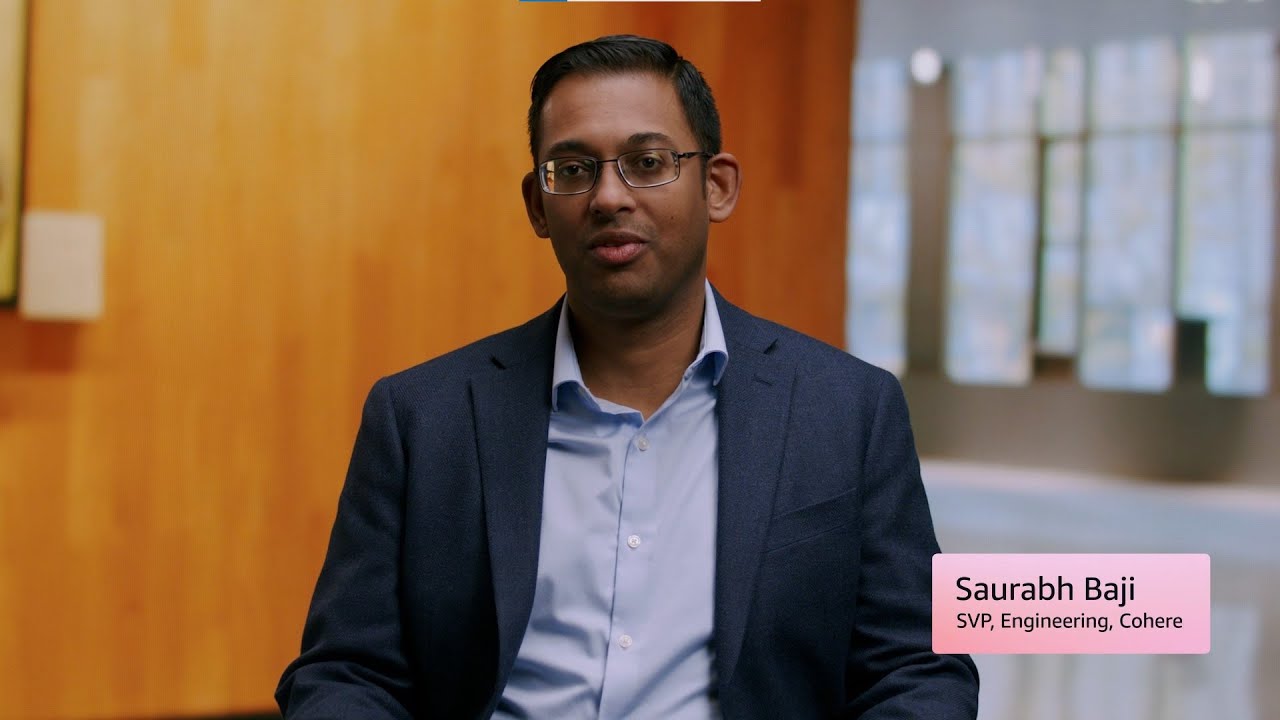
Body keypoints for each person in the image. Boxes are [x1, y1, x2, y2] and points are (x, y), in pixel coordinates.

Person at [277, 34, 979, 719]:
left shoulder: (848, 411)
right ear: (536, 205)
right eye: (573, 170)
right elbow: (346, 670)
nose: (609, 196)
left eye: (648, 161)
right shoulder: (421, 418)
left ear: (717, 186)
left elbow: (918, 667)